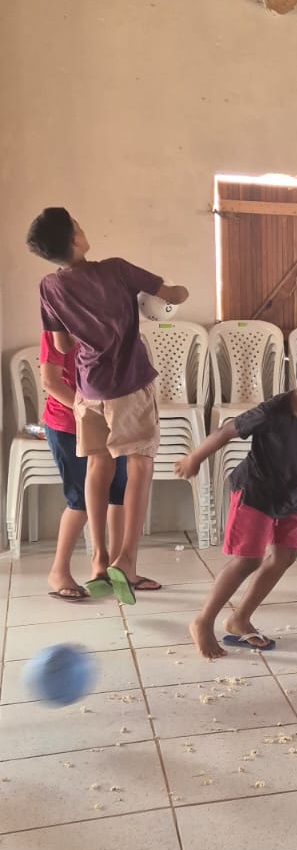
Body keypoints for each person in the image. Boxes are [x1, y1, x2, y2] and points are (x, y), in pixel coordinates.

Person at [27, 208, 188, 603]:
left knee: (98, 468)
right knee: (140, 466)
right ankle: (126, 560)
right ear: (75, 240)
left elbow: (62, 343)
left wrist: (86, 327)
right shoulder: (116, 270)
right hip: (128, 386)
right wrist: (177, 293)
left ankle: (99, 558)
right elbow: (171, 295)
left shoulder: (49, 286)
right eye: (79, 227)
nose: (83, 230)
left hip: (89, 392)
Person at [176, 346, 297, 659]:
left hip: (289, 494)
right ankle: (203, 621)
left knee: (286, 555)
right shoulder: (272, 411)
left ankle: (240, 619)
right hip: (255, 492)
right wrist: (194, 458)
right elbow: (226, 432)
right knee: (248, 560)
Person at [40, 331, 127, 601]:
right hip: (68, 424)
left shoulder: (110, 323)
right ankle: (59, 571)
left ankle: (116, 568)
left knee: (119, 493)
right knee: (80, 500)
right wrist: (87, 412)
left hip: (110, 419)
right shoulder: (57, 327)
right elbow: (50, 381)